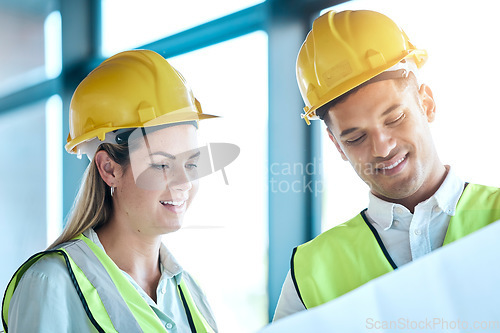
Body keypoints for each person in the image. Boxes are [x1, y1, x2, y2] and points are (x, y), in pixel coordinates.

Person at [274, 9, 500, 320]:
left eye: (394, 118)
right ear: (337, 146)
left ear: (427, 104)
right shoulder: (309, 273)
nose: (382, 147)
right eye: (355, 138)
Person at [2, 50, 219, 332]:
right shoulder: (50, 282)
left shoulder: (189, 291)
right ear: (109, 169)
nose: (183, 183)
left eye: (191, 163)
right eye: (162, 165)